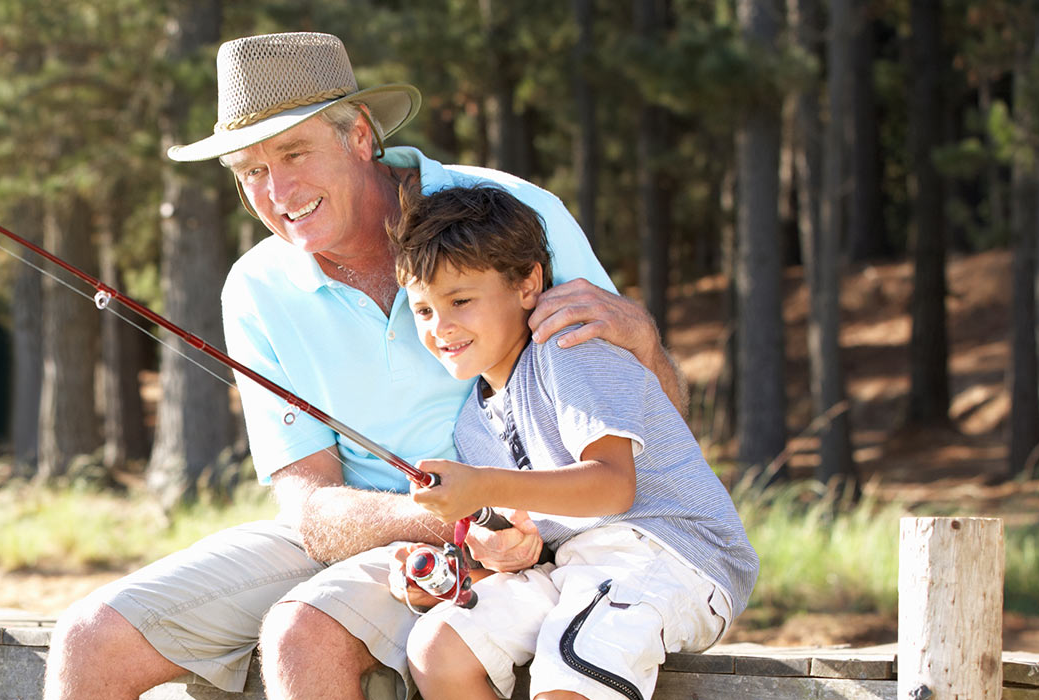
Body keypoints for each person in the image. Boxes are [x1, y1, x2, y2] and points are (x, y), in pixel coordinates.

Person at [43, 32, 687, 700]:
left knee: (302, 636)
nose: (278, 191)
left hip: (536, 536)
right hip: (383, 528)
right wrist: (451, 517)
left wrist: (643, 344)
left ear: (357, 135)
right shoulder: (255, 287)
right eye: (251, 171)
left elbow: (648, 426)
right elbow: (311, 507)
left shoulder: (513, 212)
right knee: (89, 638)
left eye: (294, 153)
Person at [390, 185, 757, 700]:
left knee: (572, 661)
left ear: (527, 284)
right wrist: (496, 554)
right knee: (438, 649)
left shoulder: (571, 349)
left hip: (672, 552)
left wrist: (484, 486)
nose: (441, 327)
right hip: (573, 567)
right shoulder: (471, 424)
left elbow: (612, 487)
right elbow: (529, 533)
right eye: (424, 310)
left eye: (461, 301)